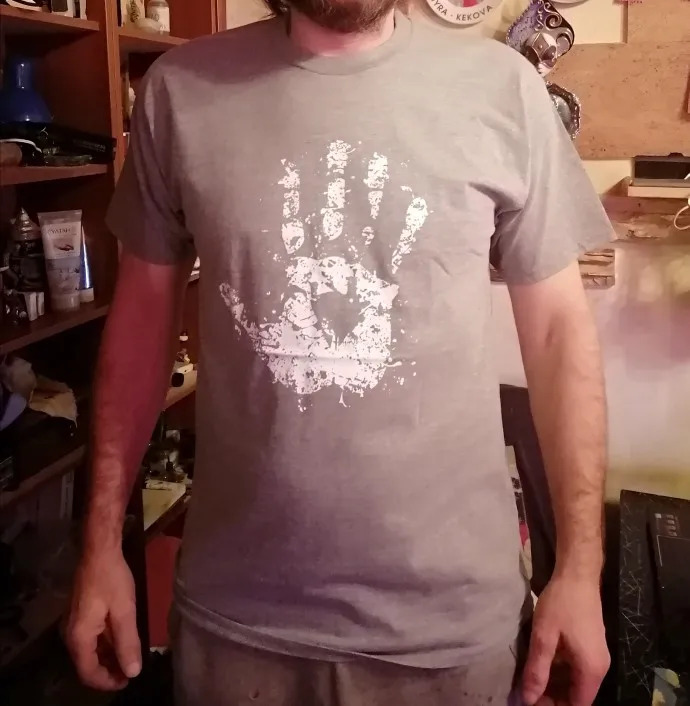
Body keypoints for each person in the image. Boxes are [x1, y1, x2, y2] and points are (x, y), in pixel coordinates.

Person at [65, 0, 613, 704]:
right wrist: (101, 545)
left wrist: (579, 571)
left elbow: (560, 335)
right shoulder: (179, 91)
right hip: (236, 626)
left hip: (450, 635)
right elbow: (139, 328)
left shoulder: (504, 89)